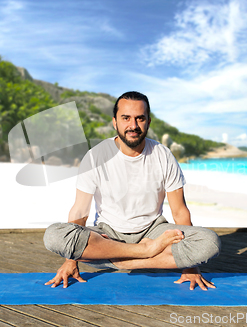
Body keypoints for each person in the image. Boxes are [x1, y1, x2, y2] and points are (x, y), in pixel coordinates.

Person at [43, 91, 221, 291]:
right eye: (126, 118)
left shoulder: (163, 154)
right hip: (107, 236)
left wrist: (191, 266)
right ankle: (145, 252)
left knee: (209, 243)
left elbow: (179, 210)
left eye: (140, 118)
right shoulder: (95, 156)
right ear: (114, 122)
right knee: (55, 236)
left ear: (148, 121)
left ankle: (127, 260)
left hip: (154, 231)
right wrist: (70, 261)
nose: (133, 125)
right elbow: (79, 212)